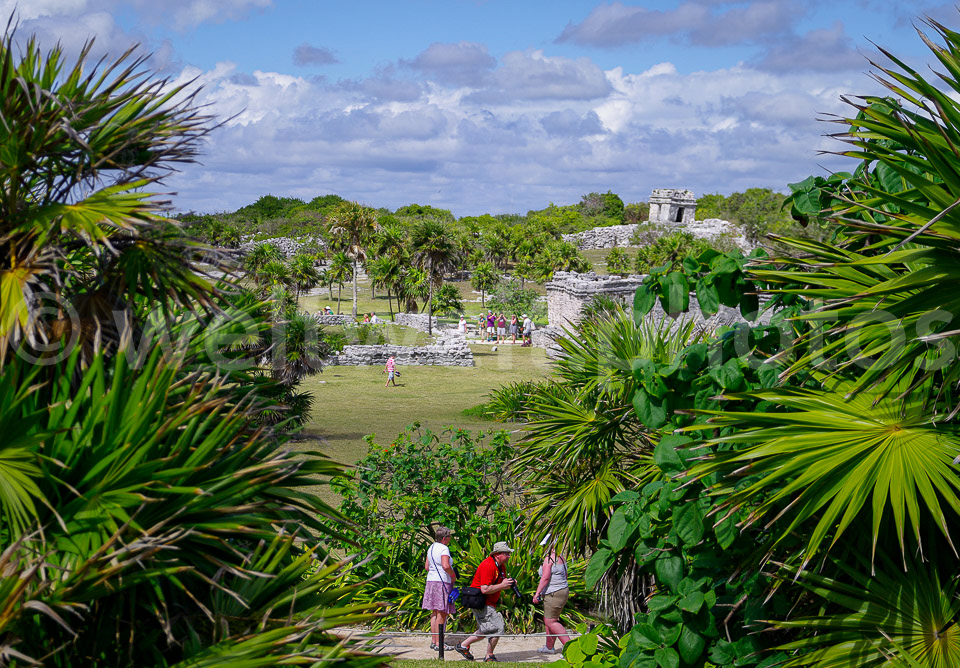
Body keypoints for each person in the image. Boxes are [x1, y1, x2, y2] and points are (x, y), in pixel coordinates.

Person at [455, 542, 516, 663]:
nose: (509, 556)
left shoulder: (500, 565)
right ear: (497, 554)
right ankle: (489, 655)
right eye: (506, 553)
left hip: (490, 602)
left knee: (489, 628)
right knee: (497, 628)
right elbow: (484, 589)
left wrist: (509, 583)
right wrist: (502, 585)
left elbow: (500, 582)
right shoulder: (488, 565)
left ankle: (464, 646)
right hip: (481, 601)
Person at [532, 535, 570, 654]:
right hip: (562, 591)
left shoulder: (549, 559)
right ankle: (549, 647)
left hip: (554, 593)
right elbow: (566, 576)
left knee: (551, 622)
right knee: (549, 619)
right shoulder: (561, 558)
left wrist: (537, 593)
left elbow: (545, 577)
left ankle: (569, 648)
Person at [422, 526, 457, 652]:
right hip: (442, 582)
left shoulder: (431, 547)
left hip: (430, 581)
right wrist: (453, 576)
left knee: (434, 612)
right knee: (442, 613)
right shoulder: (444, 549)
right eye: (449, 537)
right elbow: (445, 565)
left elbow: (427, 566)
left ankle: (434, 640)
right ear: (444, 538)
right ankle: (439, 644)